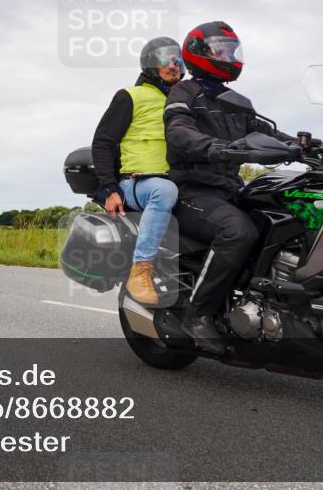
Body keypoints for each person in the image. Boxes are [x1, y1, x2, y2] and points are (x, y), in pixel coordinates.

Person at [164, 21, 302, 353]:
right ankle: (197, 315)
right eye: (220, 50)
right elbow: (178, 131)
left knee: (286, 219)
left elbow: (268, 133)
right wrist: (215, 147)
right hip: (192, 190)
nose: (228, 56)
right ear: (198, 52)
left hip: (230, 189)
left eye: (231, 51)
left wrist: (306, 146)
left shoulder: (237, 101)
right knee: (237, 231)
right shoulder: (185, 91)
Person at [91, 37, 185, 306]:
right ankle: (140, 269)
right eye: (166, 59)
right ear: (150, 64)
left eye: (178, 59)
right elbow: (103, 142)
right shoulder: (130, 96)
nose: (174, 65)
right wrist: (110, 189)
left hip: (179, 181)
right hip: (138, 184)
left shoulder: (184, 101)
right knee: (163, 189)